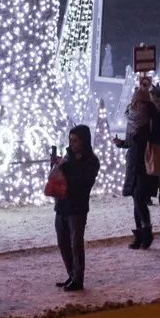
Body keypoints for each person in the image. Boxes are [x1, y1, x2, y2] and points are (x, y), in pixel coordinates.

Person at [50, 125, 100, 292]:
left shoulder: (91, 161)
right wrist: (57, 166)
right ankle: (71, 274)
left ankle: (78, 279)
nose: (72, 144)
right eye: (70, 140)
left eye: (75, 141)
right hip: (62, 206)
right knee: (63, 243)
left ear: (84, 141)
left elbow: (82, 182)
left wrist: (65, 166)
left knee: (75, 244)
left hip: (77, 208)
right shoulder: (68, 157)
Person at [112, 76, 157, 249]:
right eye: (133, 100)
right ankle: (140, 234)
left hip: (144, 165)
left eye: (137, 101)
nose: (134, 104)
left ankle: (146, 233)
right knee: (136, 201)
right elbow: (132, 143)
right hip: (133, 163)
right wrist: (121, 143)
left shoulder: (149, 120)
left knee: (139, 199)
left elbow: (152, 140)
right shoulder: (132, 120)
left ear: (144, 104)